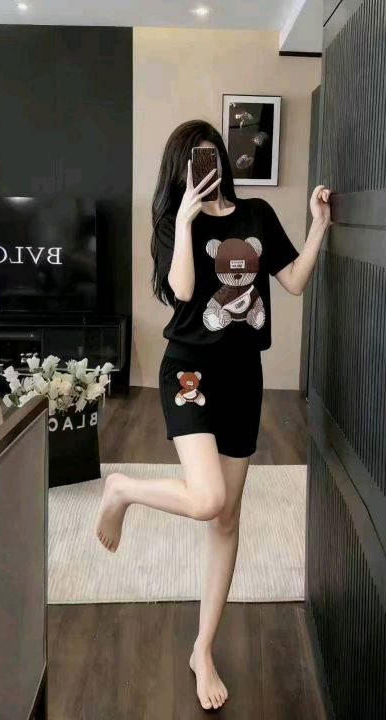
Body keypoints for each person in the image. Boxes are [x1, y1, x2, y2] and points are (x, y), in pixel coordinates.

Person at [95, 119, 331, 711]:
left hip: (243, 378)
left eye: (212, 155)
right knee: (207, 500)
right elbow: (181, 291)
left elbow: (294, 281)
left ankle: (203, 649)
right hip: (190, 373)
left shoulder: (257, 216)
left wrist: (319, 227)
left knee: (226, 520)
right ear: (180, 170)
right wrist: (184, 223)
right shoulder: (171, 224)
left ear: (224, 158)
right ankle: (121, 488)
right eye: (194, 160)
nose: (207, 166)